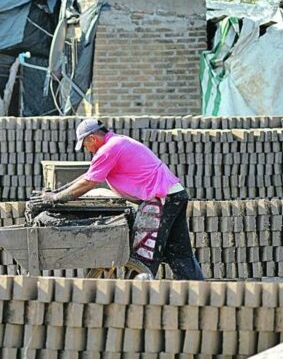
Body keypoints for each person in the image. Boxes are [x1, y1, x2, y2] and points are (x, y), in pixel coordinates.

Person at [35, 118, 204, 280]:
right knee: (180, 254)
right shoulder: (117, 142)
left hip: (159, 200)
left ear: (92, 138)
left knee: (144, 253)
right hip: (174, 195)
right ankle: (198, 296)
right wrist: (56, 192)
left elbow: (88, 183)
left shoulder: (109, 149)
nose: (87, 149)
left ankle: (135, 300)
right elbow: (88, 175)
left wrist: (55, 199)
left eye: (85, 144)